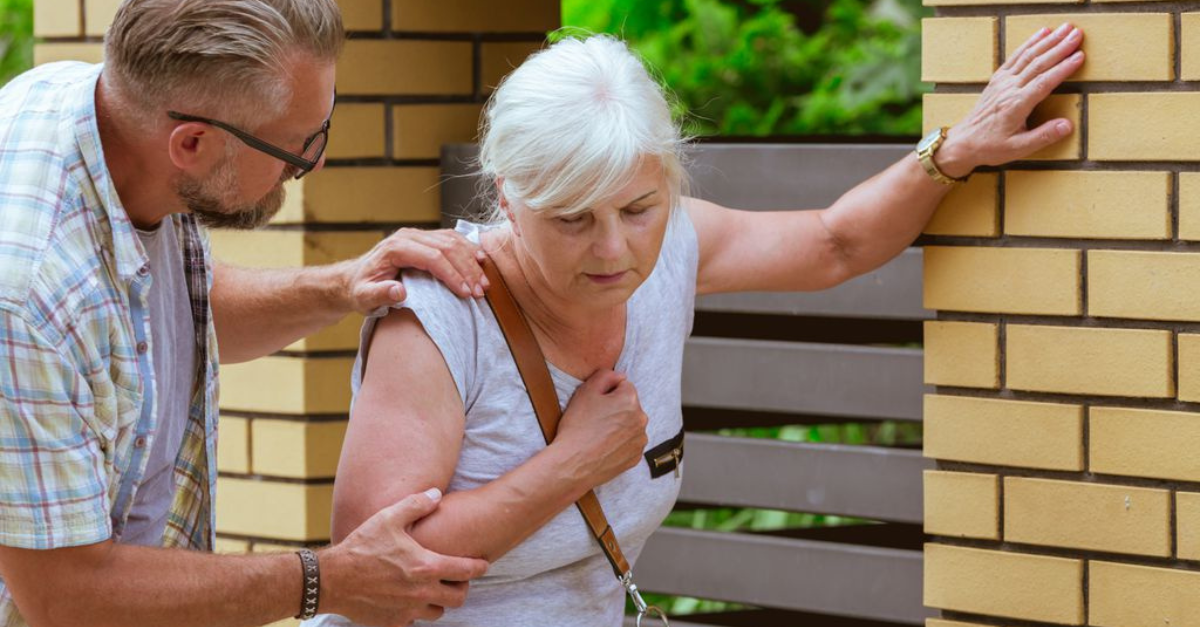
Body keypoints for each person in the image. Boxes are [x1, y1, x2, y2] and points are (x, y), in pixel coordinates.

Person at [310, 25, 1086, 627]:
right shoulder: (440, 313)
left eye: (639, 208)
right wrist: (573, 461)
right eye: (573, 218)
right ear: (508, 199)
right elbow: (376, 566)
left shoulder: (674, 245)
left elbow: (835, 242)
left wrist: (954, 152)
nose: (614, 250)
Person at [0, 1, 492, 626]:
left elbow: (148, 323)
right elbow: (65, 596)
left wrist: (341, 285)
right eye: (296, 142)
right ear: (192, 143)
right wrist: (328, 579)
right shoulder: (28, 296)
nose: (312, 163)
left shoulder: (100, 108)